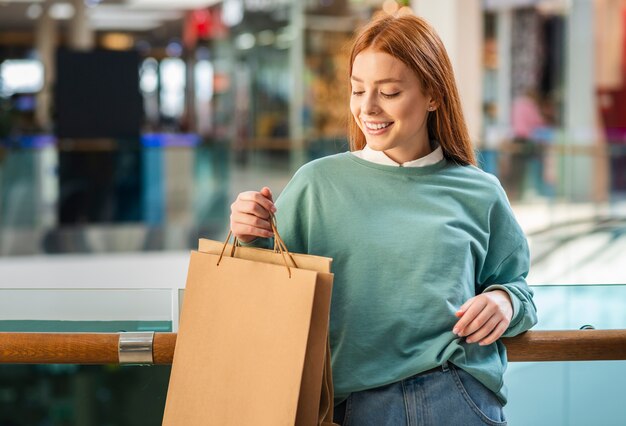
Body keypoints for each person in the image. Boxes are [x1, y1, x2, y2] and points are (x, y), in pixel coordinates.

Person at [230, 12, 537, 426]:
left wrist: (503, 300)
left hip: (459, 398)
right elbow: (261, 295)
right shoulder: (317, 184)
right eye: (358, 91)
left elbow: (520, 291)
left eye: (389, 92)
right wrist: (248, 234)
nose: (367, 108)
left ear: (433, 95)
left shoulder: (479, 191)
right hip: (350, 406)